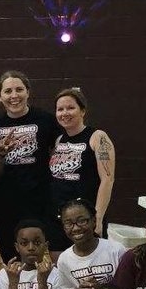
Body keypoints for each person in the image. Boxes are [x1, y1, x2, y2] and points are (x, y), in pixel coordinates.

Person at [0, 71, 59, 262]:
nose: (14, 95)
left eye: (19, 89)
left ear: (28, 92)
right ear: (0, 96)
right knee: (13, 260)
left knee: (37, 259)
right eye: (8, 91)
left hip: (39, 202)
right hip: (5, 204)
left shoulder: (46, 120)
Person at [48, 88, 116, 247]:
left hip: (84, 217)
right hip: (59, 216)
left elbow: (107, 179)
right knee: (60, 264)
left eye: (70, 108)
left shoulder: (98, 137)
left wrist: (97, 218)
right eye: (60, 109)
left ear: (83, 111)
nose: (65, 113)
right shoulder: (59, 140)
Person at [54, 200, 128, 289]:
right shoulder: (64, 259)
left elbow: (128, 288)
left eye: (82, 221)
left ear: (94, 221)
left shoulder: (116, 250)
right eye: (69, 223)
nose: (76, 228)